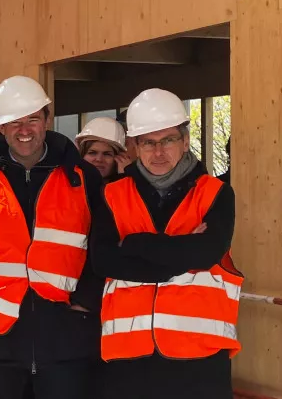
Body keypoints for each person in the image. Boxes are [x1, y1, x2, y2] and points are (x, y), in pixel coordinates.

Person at [0, 76, 109, 399]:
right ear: (0, 127)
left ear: (47, 118)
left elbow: (103, 249)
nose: (24, 130)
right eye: (14, 122)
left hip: (65, 342)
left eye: (32, 119)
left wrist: (86, 301)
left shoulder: (82, 178)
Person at [90, 89, 241, 399]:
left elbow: (206, 252)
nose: (158, 152)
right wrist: (178, 254)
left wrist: (133, 243)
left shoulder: (216, 193)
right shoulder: (111, 195)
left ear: (185, 141)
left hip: (199, 359)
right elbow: (103, 262)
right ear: (133, 146)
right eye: (148, 142)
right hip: (128, 360)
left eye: (168, 140)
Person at [75, 117, 130, 182]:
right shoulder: (67, 185)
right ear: (81, 155)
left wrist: (123, 178)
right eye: (92, 153)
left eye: (107, 154)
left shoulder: (132, 186)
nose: (99, 159)